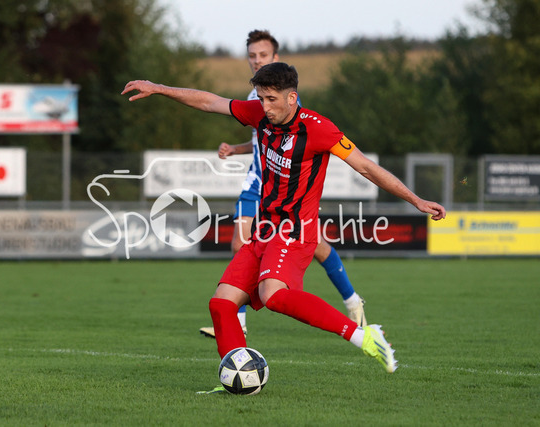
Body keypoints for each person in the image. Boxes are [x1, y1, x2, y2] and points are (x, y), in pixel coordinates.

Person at [121, 62, 446, 380]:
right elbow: (209, 101)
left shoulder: (319, 128)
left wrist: (416, 200)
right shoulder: (260, 115)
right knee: (221, 304)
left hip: (296, 231)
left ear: (292, 98)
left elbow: (366, 167)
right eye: (261, 98)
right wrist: (159, 88)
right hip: (263, 231)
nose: (264, 106)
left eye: (271, 99)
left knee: (273, 294)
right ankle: (238, 377)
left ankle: (365, 336)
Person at [199, 30, 366, 340]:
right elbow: (260, 138)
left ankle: (352, 300)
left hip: (287, 189)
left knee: (316, 247)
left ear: (275, 57)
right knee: (240, 244)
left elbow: (291, 144)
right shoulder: (257, 96)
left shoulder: (285, 99)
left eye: (262, 55)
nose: (256, 60)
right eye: (252, 56)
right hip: (257, 181)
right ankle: (238, 320)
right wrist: (236, 149)